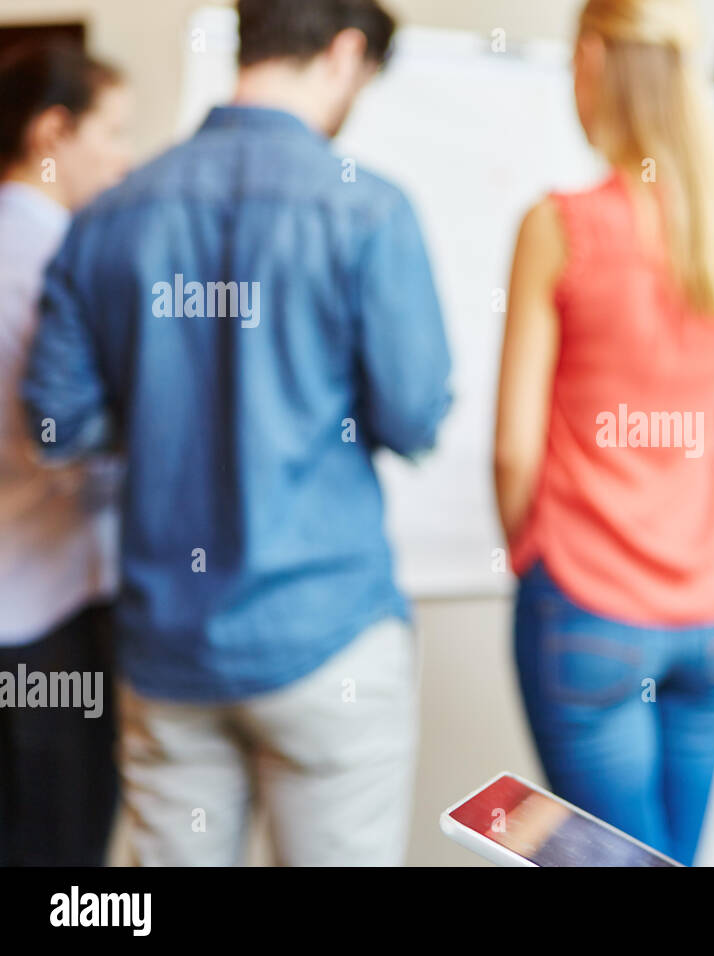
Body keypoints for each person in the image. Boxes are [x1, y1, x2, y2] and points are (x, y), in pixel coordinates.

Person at [22, 0, 452, 866]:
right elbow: (414, 416)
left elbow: (55, 423)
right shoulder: (368, 211)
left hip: (167, 645)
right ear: (344, 54)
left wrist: (158, 402)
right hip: (325, 633)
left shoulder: (110, 214)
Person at [494, 0, 714, 865]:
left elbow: (514, 446)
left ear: (591, 60)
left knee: (618, 865)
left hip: (589, 604)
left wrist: (537, 549)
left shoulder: (558, 226)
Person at [0, 41, 130, 866]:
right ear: (53, 130)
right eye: (110, 132)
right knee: (62, 852)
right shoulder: (52, 263)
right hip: (47, 614)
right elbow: (59, 443)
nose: (121, 161)